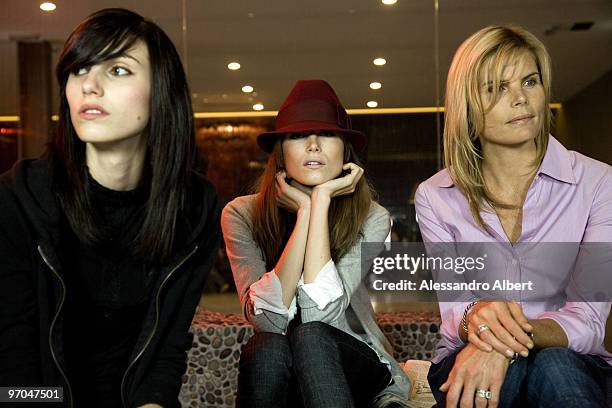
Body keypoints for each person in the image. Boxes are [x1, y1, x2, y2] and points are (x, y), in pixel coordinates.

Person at [0, 8, 220, 408]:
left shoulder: (194, 207)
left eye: (118, 70)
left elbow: (166, 354)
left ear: (161, 91)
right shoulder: (18, 198)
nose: (90, 86)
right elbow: (13, 367)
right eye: (79, 69)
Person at [414, 25, 611, 408]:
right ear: (469, 105)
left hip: (573, 361)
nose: (520, 99)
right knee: (523, 370)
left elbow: (588, 318)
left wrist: (501, 344)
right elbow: (457, 309)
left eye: (529, 81)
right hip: (463, 355)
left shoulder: (599, 183)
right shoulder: (434, 195)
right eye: (497, 88)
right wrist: (489, 329)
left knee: (555, 364)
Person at [221, 80, 411, 408]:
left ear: (344, 150)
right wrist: (306, 214)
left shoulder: (372, 217)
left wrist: (320, 202)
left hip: (353, 364)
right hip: (282, 367)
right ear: (280, 152)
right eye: (297, 135)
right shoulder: (241, 214)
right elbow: (268, 321)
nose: (313, 145)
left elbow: (317, 319)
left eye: (326, 134)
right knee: (266, 345)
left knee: (310, 337)